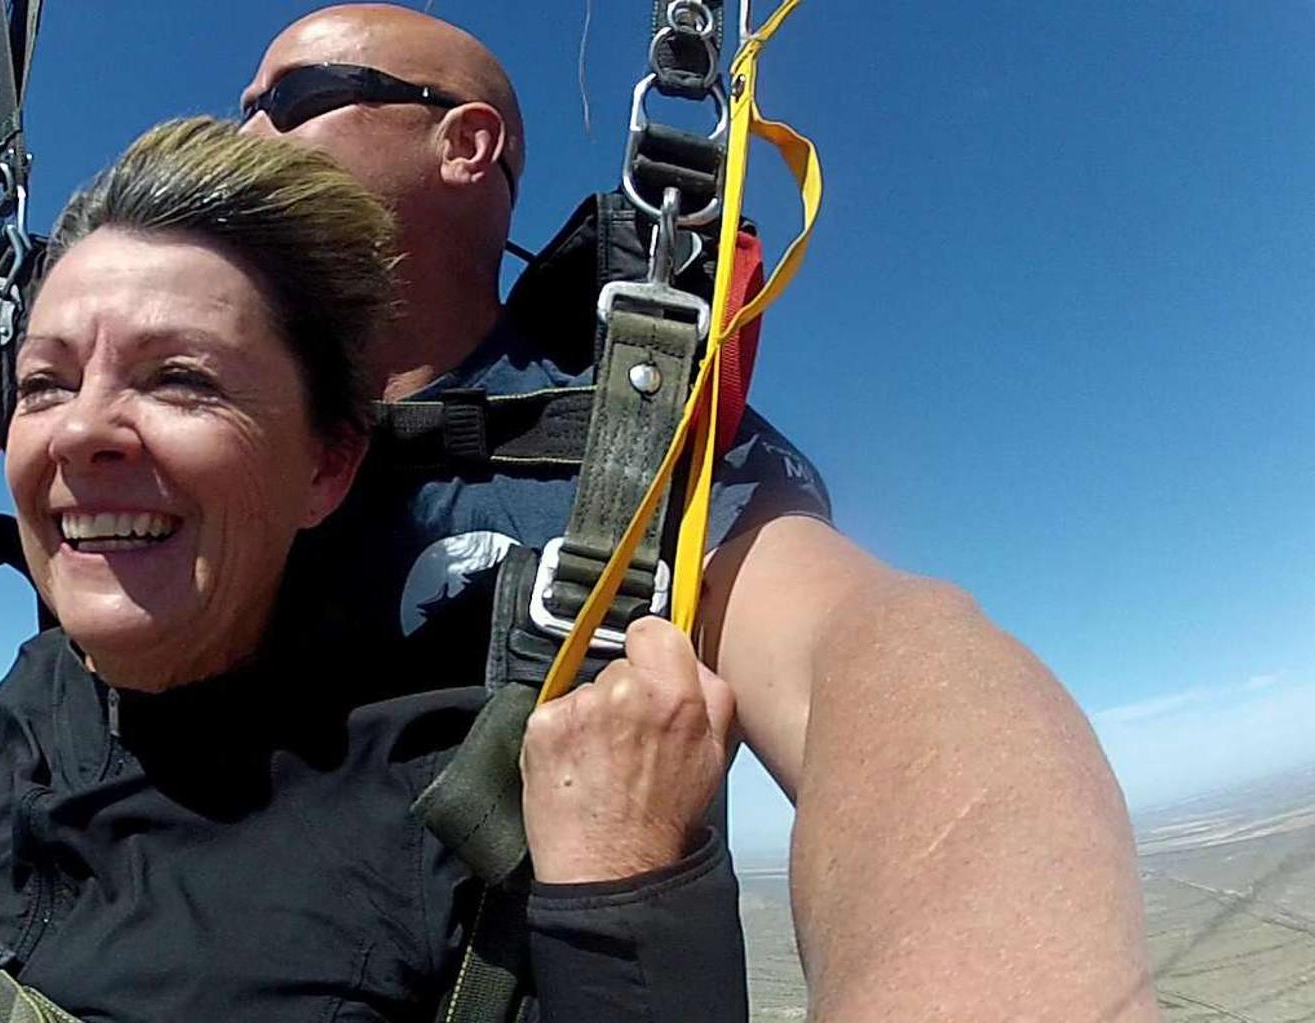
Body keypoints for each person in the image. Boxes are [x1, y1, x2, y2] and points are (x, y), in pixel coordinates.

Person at [232, 5, 1157, 1020]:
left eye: (286, 101)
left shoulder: (635, 446)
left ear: (464, 143)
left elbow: (866, 657)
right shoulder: (157, 423)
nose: (241, 134)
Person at [0, 117, 747, 1021]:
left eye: (180, 378)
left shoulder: (448, 817)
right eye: (44, 383)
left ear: (326, 464)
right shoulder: (33, 698)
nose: (79, 430)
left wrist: (626, 897)